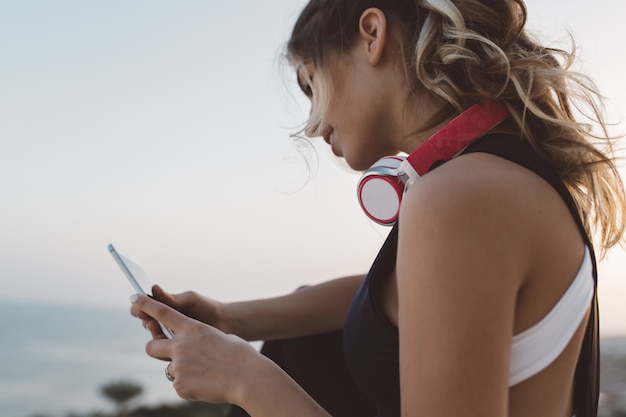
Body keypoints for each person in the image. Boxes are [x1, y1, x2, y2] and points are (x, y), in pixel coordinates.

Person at [129, 1, 626, 416]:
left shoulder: (461, 196)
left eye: (309, 84)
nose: (314, 123)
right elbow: (391, 297)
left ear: (371, 34)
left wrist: (244, 379)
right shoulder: (497, 178)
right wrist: (233, 320)